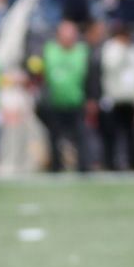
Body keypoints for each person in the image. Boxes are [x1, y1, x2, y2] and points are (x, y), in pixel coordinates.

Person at [29, 20, 92, 174]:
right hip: (54, 102)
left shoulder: (82, 51)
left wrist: (91, 98)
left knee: (81, 136)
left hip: (76, 101)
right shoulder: (48, 50)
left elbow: (91, 76)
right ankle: (56, 167)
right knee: (54, 137)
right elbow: (35, 71)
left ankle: (83, 167)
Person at [98, 23, 134, 172]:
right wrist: (121, 50)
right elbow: (110, 67)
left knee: (131, 134)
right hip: (114, 99)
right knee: (112, 134)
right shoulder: (111, 49)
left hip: (130, 98)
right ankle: (111, 163)